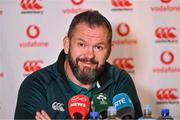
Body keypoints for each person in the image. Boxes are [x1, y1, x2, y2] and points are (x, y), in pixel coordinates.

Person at [14, 10, 142, 119]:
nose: (89, 55)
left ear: (109, 51)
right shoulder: (37, 85)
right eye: (82, 44)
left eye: (98, 47)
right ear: (67, 45)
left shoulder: (120, 81)